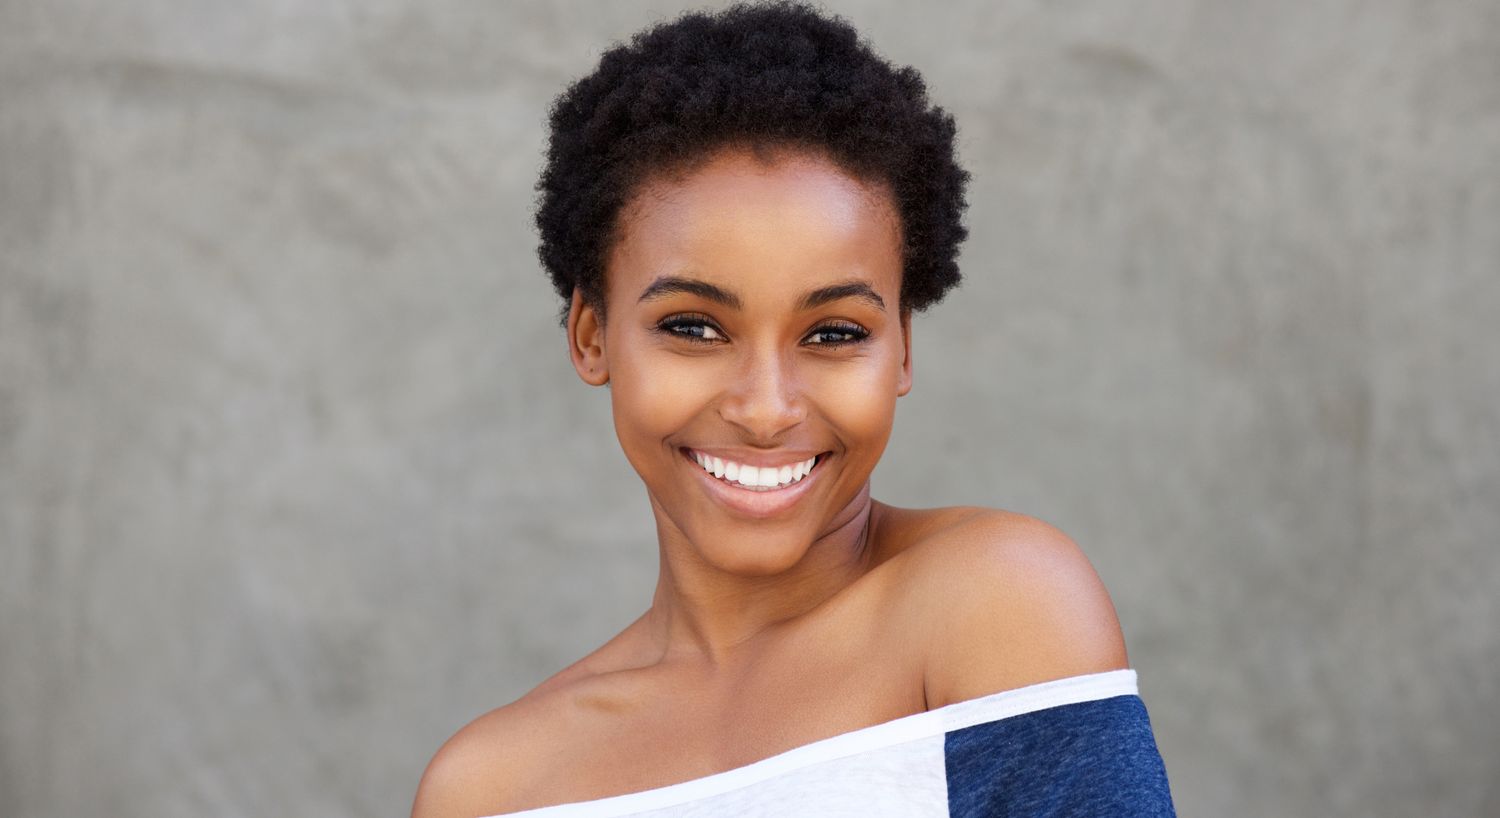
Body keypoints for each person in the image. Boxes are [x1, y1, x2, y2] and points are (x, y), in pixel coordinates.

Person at [412, 3, 1175, 816]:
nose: (766, 408)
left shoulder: (998, 603)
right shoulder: (492, 787)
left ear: (904, 351)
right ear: (592, 336)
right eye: (694, 328)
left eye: (835, 332)